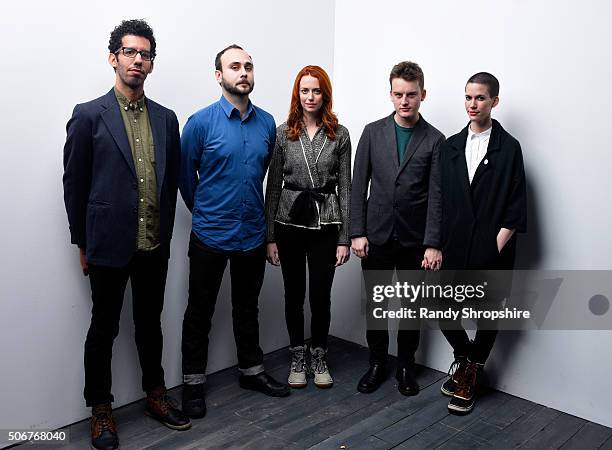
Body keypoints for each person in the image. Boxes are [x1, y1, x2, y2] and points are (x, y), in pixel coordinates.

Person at [62, 19, 190, 450]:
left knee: (149, 324)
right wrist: (83, 241)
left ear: (152, 63)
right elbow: (75, 183)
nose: (139, 60)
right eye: (131, 52)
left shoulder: (167, 119)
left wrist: (168, 233)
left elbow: (170, 181)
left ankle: (156, 394)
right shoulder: (87, 115)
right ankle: (101, 409)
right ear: (113, 57)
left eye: (146, 54)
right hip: (108, 245)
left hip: (153, 243)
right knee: (104, 327)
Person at [180, 44, 290, 419]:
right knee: (199, 311)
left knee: (247, 308)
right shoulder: (199, 122)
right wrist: (208, 212)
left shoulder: (267, 124)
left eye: (248, 66)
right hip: (209, 234)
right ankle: (193, 383)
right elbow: (185, 177)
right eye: (234, 66)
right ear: (219, 76)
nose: (243, 72)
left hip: (252, 235)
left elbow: (270, 179)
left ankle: (251, 372)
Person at [350, 61, 444, 396]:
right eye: (398, 94)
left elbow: (437, 196)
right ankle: (376, 363)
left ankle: (405, 365)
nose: (405, 100)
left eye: (411, 94)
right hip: (374, 236)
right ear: (390, 94)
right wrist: (356, 232)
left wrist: (433, 243)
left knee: (411, 307)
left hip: (415, 241)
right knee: (376, 304)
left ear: (423, 94)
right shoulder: (372, 132)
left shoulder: (435, 140)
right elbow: (358, 184)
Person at [439, 72, 527, 414]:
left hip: (493, 249)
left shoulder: (510, 148)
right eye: (468, 97)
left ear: (494, 101)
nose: (472, 104)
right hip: (455, 246)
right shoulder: (450, 146)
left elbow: (515, 207)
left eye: (479, 98)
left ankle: (469, 375)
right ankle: (468, 360)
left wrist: (494, 247)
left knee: (488, 313)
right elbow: (442, 199)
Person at [264, 66, 351, 389]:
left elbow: (346, 186)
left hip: (326, 224)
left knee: (320, 296)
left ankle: (319, 353)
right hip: (288, 223)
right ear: (297, 94)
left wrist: (344, 238)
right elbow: (273, 187)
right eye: (305, 91)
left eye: (316, 91)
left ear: (324, 94)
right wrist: (269, 236)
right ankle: (297, 355)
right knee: (293, 294)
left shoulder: (339, 134)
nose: (310, 97)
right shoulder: (282, 132)